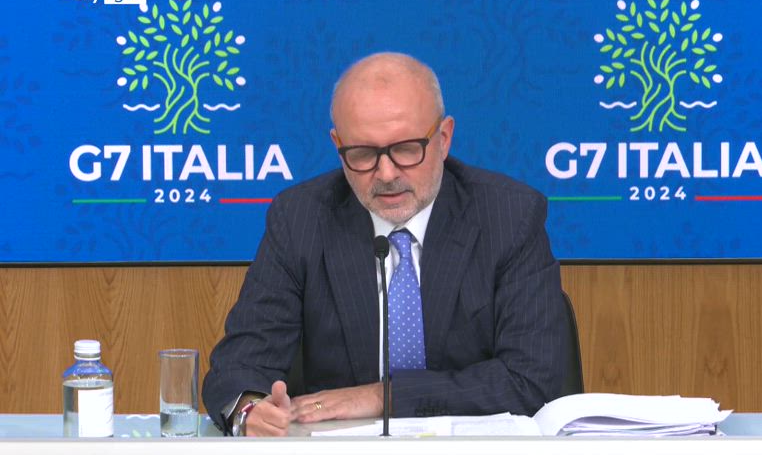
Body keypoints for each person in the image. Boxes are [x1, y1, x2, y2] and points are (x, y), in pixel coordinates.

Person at [203, 52, 565, 436]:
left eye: (407, 149)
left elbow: (530, 379)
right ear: (338, 145)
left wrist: (383, 396)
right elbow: (238, 367)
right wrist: (249, 410)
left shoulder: (509, 216)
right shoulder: (301, 219)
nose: (387, 173)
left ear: (443, 139)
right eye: (362, 154)